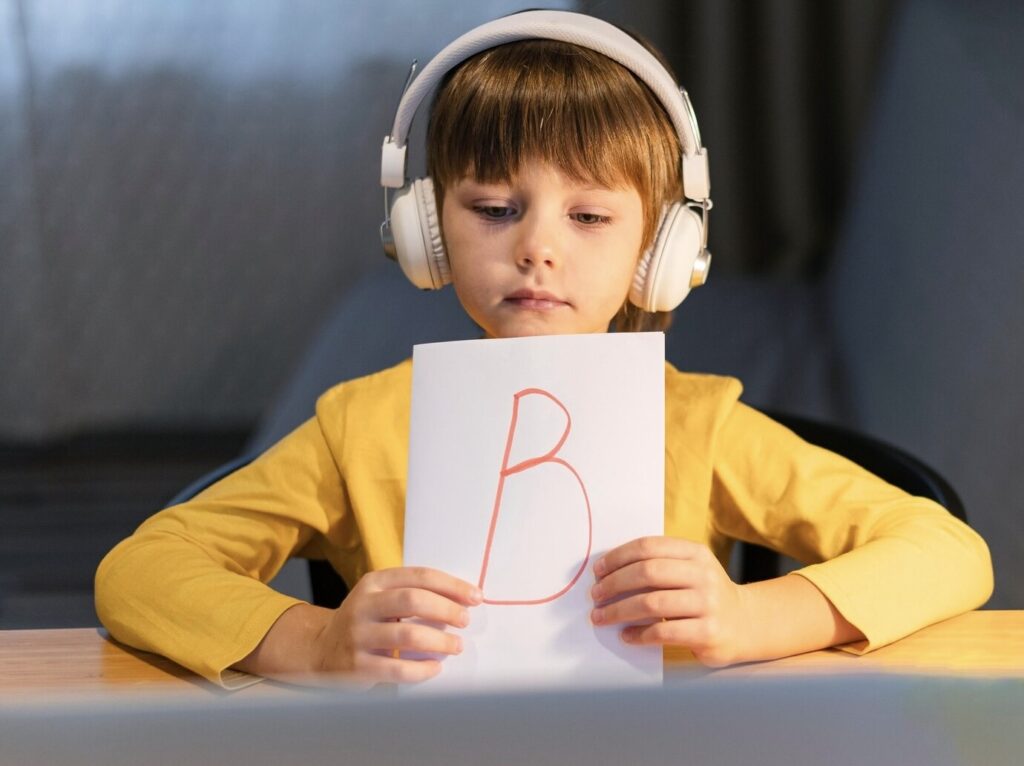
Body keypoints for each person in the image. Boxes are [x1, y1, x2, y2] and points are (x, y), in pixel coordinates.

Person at [95, 10, 992, 688]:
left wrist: (751, 616)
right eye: (492, 210)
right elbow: (140, 571)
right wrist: (317, 640)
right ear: (426, 234)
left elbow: (949, 552)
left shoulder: (699, 427)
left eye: (591, 216)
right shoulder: (359, 428)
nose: (537, 247)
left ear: (662, 252)